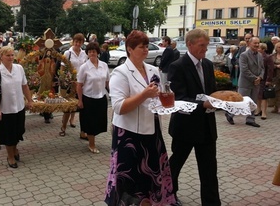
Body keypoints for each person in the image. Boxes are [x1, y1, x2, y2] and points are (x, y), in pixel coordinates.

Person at [105, 30, 176, 205]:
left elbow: (157, 96)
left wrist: (167, 98)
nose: (145, 50)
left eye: (146, 46)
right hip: (128, 135)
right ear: (129, 49)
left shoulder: (152, 69)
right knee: (129, 178)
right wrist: (144, 95)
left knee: (151, 175)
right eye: (141, 47)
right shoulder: (120, 73)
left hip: (152, 130)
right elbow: (119, 107)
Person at [168, 29, 221, 206]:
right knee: (175, 165)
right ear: (189, 44)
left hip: (206, 126)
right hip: (185, 126)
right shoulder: (177, 66)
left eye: (206, 46)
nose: (205, 50)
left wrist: (224, 101)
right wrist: (204, 105)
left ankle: (212, 202)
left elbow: (211, 92)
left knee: (209, 170)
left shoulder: (207, 64)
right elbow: (179, 98)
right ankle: (169, 195)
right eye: (201, 46)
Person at [0, 46, 33, 168]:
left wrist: (30, 101)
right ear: (1, 57)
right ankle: (10, 156)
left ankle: (15, 148)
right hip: (5, 108)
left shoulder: (19, 68)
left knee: (18, 131)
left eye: (12, 55)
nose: (11, 57)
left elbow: (25, 86)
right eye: (8, 55)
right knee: (9, 134)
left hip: (19, 107)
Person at [75, 42, 109, 153]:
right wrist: (80, 100)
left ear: (98, 52)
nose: (92, 54)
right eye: (89, 52)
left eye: (94, 51)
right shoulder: (84, 67)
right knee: (90, 122)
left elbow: (107, 82)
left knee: (99, 121)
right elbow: (79, 85)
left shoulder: (104, 65)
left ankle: (92, 140)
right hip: (88, 98)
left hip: (101, 97)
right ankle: (91, 144)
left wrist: (112, 93)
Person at [225, 37, 264, 128]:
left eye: (258, 43)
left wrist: (260, 77)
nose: (257, 45)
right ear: (249, 44)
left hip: (256, 83)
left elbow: (262, 68)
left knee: (253, 102)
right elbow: (244, 70)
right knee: (240, 102)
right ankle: (229, 114)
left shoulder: (260, 55)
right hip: (245, 83)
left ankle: (250, 119)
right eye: (255, 43)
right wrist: (255, 78)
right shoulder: (244, 55)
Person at [60, 33, 88, 135]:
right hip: (70, 83)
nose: (77, 44)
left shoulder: (84, 54)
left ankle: (74, 122)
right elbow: (62, 68)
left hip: (81, 83)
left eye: (80, 42)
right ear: (73, 41)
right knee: (68, 106)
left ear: (82, 43)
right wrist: (64, 80)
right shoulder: (68, 53)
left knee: (79, 104)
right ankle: (63, 127)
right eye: (76, 41)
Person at [255, 43, 274, 120]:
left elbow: (270, 69)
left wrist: (268, 80)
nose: (257, 49)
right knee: (258, 96)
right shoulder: (256, 56)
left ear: (263, 49)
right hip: (257, 78)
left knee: (263, 96)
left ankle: (264, 112)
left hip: (264, 79)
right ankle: (258, 110)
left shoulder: (268, 57)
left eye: (259, 48)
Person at [271, 42, 280, 114]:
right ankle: (276, 107)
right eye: (279, 47)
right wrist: (276, 66)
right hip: (275, 76)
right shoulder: (272, 56)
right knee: (276, 92)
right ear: (276, 48)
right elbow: (270, 65)